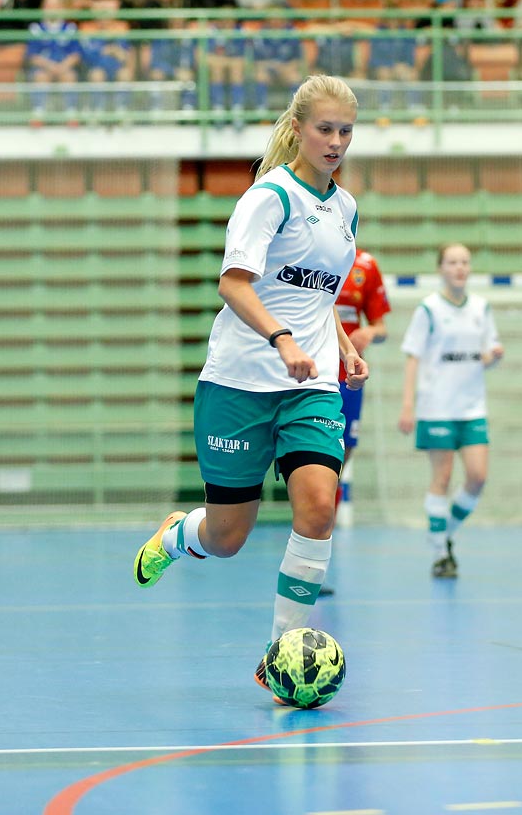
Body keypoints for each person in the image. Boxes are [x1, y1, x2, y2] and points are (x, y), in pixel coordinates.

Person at [131, 75, 367, 705]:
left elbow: (317, 292)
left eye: (346, 131)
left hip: (309, 384)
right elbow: (234, 285)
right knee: (229, 537)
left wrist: (338, 345)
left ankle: (280, 654)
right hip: (240, 382)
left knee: (319, 505)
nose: (336, 141)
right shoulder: (270, 198)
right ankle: (182, 534)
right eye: (325, 129)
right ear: (297, 129)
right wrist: (281, 339)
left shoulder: (343, 207)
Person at [398, 243, 503, 579]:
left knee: (477, 476)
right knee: (441, 478)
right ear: (441, 268)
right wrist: (408, 404)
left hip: (472, 407)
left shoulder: (482, 308)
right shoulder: (427, 309)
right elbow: (413, 356)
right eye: (452, 262)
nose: (459, 267)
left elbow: (485, 353)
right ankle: (441, 554)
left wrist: (493, 356)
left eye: (464, 262)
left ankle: (445, 533)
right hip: (437, 406)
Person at [333, 247, 391, 528]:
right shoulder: (306, 252)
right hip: (307, 369)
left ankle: (323, 530)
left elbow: (381, 329)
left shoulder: (365, 265)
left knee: (343, 453)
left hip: (349, 373)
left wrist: (369, 331)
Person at [24, 0, 82, 122]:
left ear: (62, 8)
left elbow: (76, 54)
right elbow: (32, 56)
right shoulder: (36, 29)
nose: (52, 9)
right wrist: (50, 66)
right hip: (44, 68)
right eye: (49, 6)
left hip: (64, 67)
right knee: (40, 77)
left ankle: (71, 113)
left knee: (69, 76)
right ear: (43, 8)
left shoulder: (70, 28)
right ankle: (39, 113)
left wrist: (63, 66)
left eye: (56, 6)